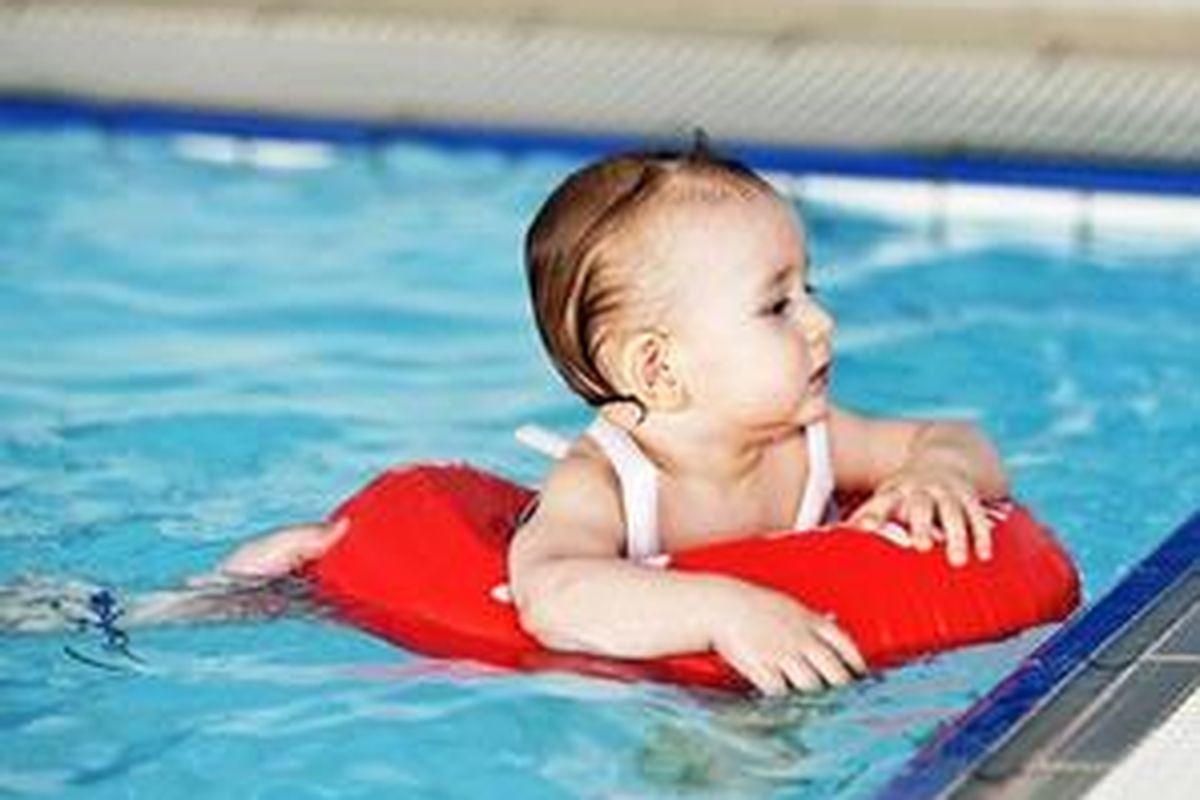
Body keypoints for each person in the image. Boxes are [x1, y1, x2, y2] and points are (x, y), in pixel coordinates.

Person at [45, 140, 1006, 694]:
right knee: (244, 608)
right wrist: (722, 607)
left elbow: (952, 439)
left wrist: (940, 475)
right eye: (778, 304)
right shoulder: (607, 481)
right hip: (439, 585)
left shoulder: (811, 442)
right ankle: (249, 577)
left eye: (811, 287)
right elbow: (554, 598)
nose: (822, 320)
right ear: (659, 370)